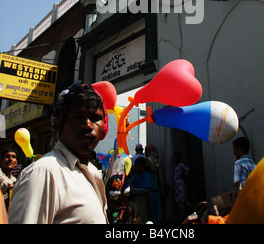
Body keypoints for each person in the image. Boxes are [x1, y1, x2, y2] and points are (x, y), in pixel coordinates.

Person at [8, 82, 109, 224]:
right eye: (77, 117)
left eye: (95, 118)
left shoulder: (92, 173)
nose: (88, 125)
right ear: (60, 123)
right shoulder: (44, 173)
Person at [129, 156, 158, 223]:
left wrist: (134, 190)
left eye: (138, 166)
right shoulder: (135, 175)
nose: (136, 168)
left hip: (143, 202)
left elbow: (148, 190)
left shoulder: (147, 176)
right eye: (135, 166)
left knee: (143, 218)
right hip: (135, 202)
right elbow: (130, 183)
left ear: (143, 166)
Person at [173, 151, 190, 222]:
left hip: (179, 184)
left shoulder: (180, 165)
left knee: (181, 199)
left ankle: (182, 215)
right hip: (176, 184)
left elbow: (188, 170)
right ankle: (180, 215)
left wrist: (183, 175)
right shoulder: (176, 166)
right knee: (177, 199)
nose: (173, 158)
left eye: (175, 157)